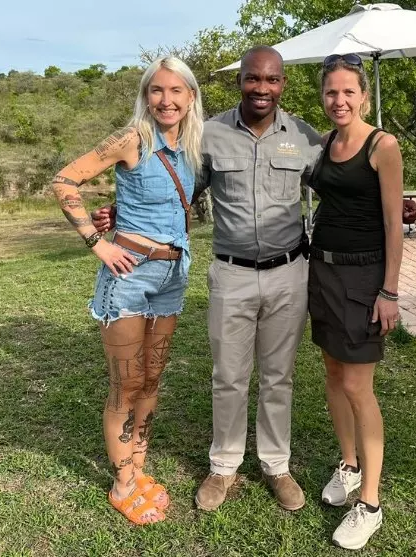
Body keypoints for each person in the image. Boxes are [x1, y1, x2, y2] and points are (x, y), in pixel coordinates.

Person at [93, 46, 324, 512]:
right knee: (228, 376)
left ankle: (276, 465)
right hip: (231, 274)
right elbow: (172, 188)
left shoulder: (304, 136)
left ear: (283, 84)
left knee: (278, 377)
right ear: (239, 81)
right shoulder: (208, 134)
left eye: (272, 79)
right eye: (253, 78)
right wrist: (122, 212)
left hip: (289, 273)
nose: (262, 88)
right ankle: (223, 466)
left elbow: (338, 185)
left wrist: (390, 200)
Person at [51, 56, 203, 525]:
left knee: (152, 379)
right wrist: (97, 243)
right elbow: (64, 180)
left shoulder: (190, 147)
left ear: (190, 97)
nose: (166, 100)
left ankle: (136, 466)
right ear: (146, 96)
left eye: (176, 91)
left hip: (172, 276)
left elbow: (157, 199)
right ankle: (122, 484)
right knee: (127, 383)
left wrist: (116, 209)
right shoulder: (132, 138)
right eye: (157, 90)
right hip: (130, 276)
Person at [307, 53, 404, 550]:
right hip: (321, 270)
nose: (339, 100)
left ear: (363, 95)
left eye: (348, 91)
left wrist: (388, 291)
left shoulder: (382, 146)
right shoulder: (325, 143)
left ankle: (370, 503)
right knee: (332, 374)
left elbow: (393, 223)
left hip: (364, 276)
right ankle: (348, 464)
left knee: (357, 385)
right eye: (331, 92)